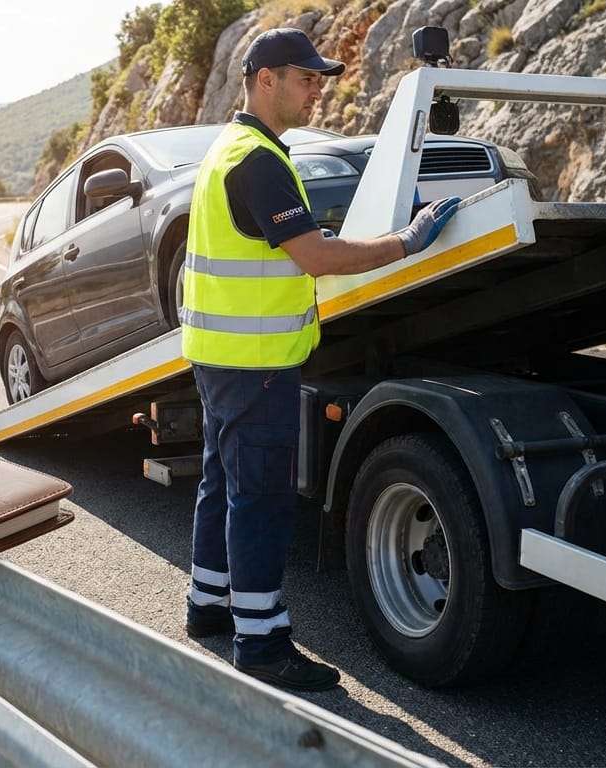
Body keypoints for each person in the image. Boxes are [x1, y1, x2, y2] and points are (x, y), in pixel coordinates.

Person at [181, 27, 460, 692]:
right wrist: (404, 241)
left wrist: (337, 238)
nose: (316, 92)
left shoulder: (231, 149)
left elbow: (282, 247)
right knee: (261, 500)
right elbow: (314, 259)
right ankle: (262, 641)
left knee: (222, 483)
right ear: (265, 78)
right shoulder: (258, 160)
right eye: (306, 79)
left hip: (219, 357)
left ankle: (208, 606)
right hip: (257, 363)